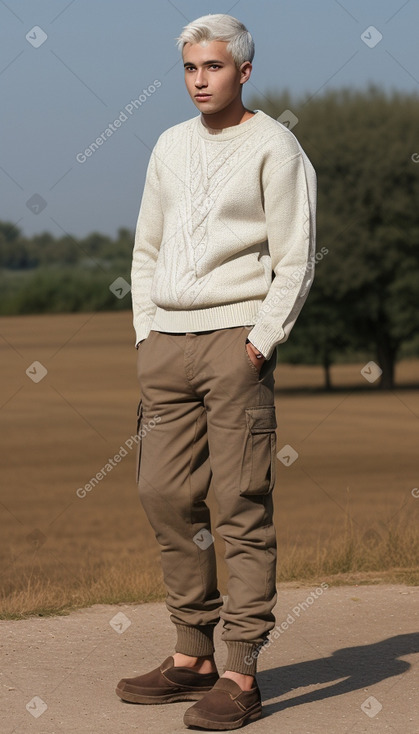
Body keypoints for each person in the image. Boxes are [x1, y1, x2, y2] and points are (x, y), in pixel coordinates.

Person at [116, 13, 317, 730]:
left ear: (243, 72)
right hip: (165, 344)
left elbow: (295, 259)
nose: (200, 80)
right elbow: (146, 249)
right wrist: (146, 333)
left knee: (239, 503)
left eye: (213, 68)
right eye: (190, 69)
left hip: (236, 341)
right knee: (163, 493)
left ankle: (240, 670)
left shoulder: (275, 147)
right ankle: (189, 654)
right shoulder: (169, 145)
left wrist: (260, 343)